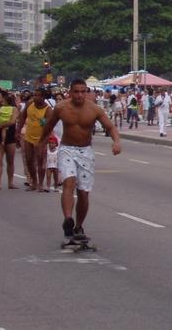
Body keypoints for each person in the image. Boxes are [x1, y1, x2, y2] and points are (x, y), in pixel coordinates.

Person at [40, 78, 121, 242]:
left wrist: (116, 141)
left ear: (87, 92)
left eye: (83, 91)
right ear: (70, 92)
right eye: (76, 91)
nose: (79, 95)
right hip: (67, 149)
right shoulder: (61, 108)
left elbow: (110, 126)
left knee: (83, 192)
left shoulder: (94, 109)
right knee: (69, 182)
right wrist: (41, 143)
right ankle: (68, 219)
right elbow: (49, 126)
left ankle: (79, 226)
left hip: (85, 151)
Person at [16, 86, 53, 192]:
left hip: (41, 138)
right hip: (28, 136)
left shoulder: (48, 110)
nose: (35, 97)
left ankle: (41, 184)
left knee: (41, 162)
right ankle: (34, 182)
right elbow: (22, 117)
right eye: (34, 95)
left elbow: (49, 127)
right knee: (29, 160)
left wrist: (44, 141)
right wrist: (18, 131)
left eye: (38, 95)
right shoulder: (29, 104)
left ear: (43, 97)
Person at [0, 90, 19, 190]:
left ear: (5, 98)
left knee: (10, 160)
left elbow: (13, 121)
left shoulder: (14, 109)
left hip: (10, 136)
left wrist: (0, 126)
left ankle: (10, 182)